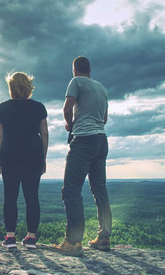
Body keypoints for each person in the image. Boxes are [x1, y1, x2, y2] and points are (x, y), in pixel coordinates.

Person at [53, 56, 112, 256]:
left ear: (75, 69)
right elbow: (103, 119)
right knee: (100, 189)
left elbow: (67, 108)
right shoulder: (102, 88)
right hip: (101, 141)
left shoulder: (76, 82)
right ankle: (103, 238)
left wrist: (70, 125)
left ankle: (73, 242)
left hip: (84, 140)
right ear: (90, 69)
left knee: (70, 190)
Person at [0, 72, 49, 249]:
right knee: (32, 197)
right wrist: (43, 158)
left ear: (11, 87)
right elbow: (44, 133)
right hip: (33, 156)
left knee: (10, 197)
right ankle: (31, 238)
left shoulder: (2, 108)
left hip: (9, 157)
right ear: (28, 87)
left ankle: (10, 238)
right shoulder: (39, 108)